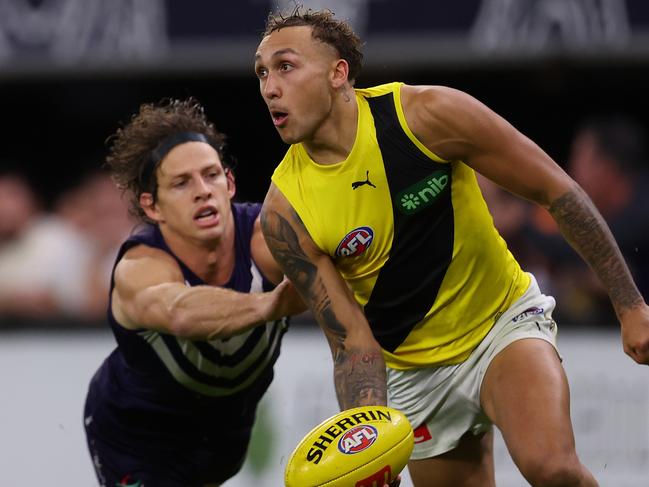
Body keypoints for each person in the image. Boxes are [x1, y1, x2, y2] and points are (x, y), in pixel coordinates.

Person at [253, 8, 649, 487]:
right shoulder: (284, 212)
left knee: (553, 469)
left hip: (499, 325)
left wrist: (630, 306)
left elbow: (556, 190)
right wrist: (369, 435)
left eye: (285, 67)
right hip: (412, 375)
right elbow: (351, 343)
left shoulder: (428, 115)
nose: (270, 87)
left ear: (339, 73)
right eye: (261, 73)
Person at [83, 98, 305, 487]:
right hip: (137, 438)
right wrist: (272, 303)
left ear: (230, 183)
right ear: (152, 207)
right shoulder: (139, 268)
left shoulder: (268, 237)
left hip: (226, 437)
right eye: (182, 183)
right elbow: (182, 313)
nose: (203, 191)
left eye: (211, 175)